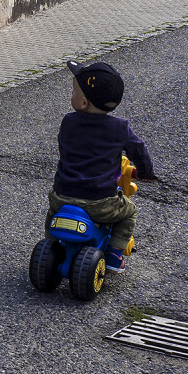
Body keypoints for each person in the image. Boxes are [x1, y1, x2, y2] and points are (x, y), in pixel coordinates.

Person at [46, 60, 155, 274]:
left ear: (83, 102)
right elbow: (139, 151)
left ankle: (52, 243)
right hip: (100, 201)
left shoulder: (68, 122)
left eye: (73, 91)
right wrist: (145, 173)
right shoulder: (120, 128)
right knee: (129, 212)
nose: (71, 95)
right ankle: (115, 254)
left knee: (52, 209)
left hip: (63, 196)